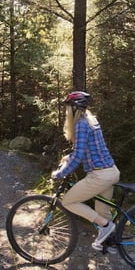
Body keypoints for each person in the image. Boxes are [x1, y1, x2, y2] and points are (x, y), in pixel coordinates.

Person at [51, 91, 120, 251]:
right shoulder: (91, 120)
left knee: (68, 201)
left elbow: (79, 155)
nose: (67, 111)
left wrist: (59, 174)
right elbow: (89, 149)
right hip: (111, 171)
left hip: (100, 175)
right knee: (102, 211)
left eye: (68, 108)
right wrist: (69, 156)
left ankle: (106, 227)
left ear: (74, 109)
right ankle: (111, 244)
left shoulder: (81, 124)